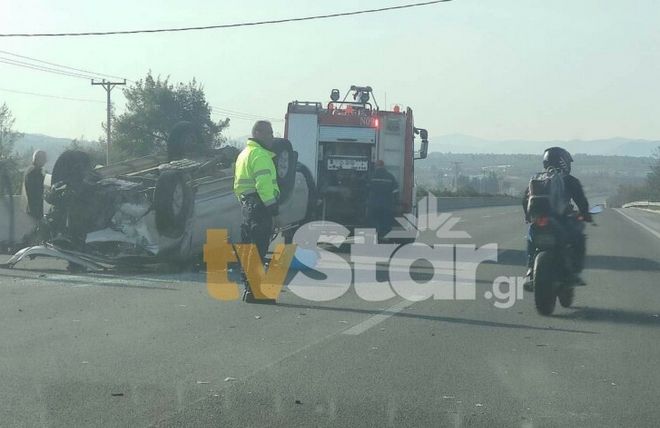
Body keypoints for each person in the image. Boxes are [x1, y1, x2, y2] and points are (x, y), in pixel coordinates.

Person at [522, 147, 592, 285]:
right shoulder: (570, 180)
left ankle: (530, 269)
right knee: (579, 237)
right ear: (564, 162)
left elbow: (525, 199)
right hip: (562, 220)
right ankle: (575, 272)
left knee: (531, 237)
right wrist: (585, 214)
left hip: (540, 220)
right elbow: (581, 201)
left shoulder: (537, 179)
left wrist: (528, 216)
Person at [233, 121, 280, 304]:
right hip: (259, 206)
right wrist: (274, 211)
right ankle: (256, 292)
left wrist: (245, 204)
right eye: (269, 133)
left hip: (247, 206)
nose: (272, 137)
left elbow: (237, 185)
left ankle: (250, 290)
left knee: (249, 249)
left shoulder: (244, 154)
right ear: (258, 133)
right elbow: (264, 186)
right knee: (258, 249)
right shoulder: (260, 155)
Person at [367, 160, 399, 240]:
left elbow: (366, 188)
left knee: (374, 219)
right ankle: (384, 236)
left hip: (374, 203)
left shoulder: (371, 176)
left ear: (376, 166)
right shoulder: (390, 176)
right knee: (385, 220)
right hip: (386, 204)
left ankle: (374, 236)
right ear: (383, 166)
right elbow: (395, 190)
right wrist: (395, 202)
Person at [24, 150, 47, 223]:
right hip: (34, 208)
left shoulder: (33, 171)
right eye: (43, 158)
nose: (45, 161)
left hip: (34, 208)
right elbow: (35, 191)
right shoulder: (34, 172)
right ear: (38, 159)